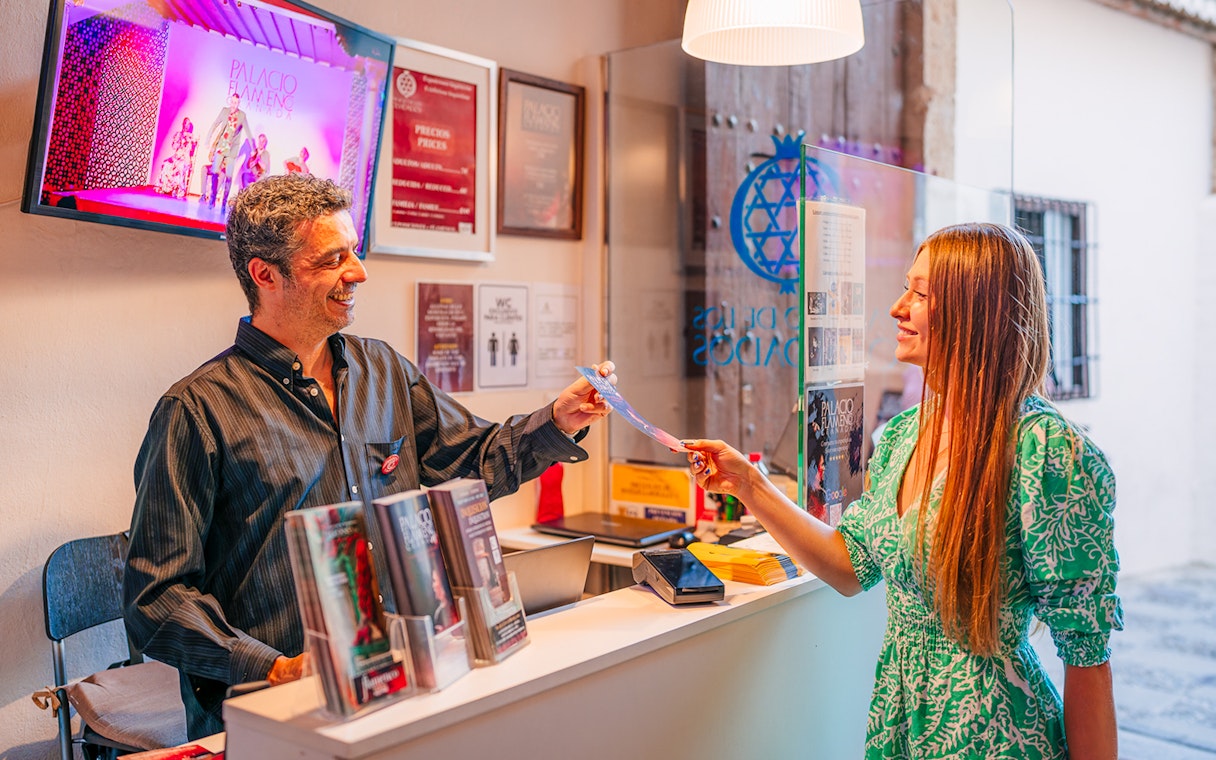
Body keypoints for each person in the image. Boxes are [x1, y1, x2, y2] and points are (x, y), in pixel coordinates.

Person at [123, 173, 616, 739]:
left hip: (406, 689)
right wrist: (274, 668)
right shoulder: (195, 410)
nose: (356, 272)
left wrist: (557, 422)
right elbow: (156, 600)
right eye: (332, 259)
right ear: (265, 274)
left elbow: (472, 461)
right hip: (278, 715)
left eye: (353, 253)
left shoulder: (383, 371)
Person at [683, 222, 1121, 759]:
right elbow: (849, 566)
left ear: (973, 311)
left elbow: (1087, 656)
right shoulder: (901, 436)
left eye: (919, 293)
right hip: (899, 732)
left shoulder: (1046, 451)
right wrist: (748, 483)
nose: (896, 307)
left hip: (997, 740)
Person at [200, 93, 250, 207]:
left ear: (238, 104)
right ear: (230, 102)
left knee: (226, 176)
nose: (233, 105)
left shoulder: (241, 117)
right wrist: (208, 141)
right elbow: (215, 124)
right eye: (232, 102)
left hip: (228, 159)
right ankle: (207, 197)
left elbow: (245, 131)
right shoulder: (224, 112)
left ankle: (223, 201)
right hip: (220, 153)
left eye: (236, 103)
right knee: (212, 171)